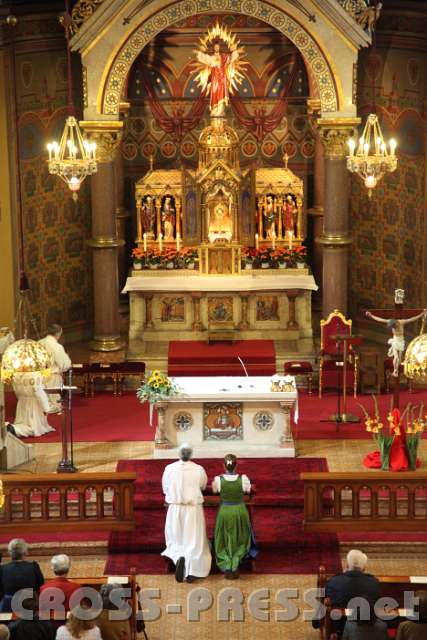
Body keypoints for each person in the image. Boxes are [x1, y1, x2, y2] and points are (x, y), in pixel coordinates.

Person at [161, 442, 212, 582]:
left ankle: (179, 558)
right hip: (193, 508)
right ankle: (191, 571)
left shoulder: (169, 469)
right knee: (194, 541)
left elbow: (165, 489)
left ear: (179, 454)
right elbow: (202, 486)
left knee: (176, 538)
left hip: (175, 508)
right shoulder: (199, 469)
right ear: (191, 454)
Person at [314, 550, 380, 636]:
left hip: (340, 627)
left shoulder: (334, 581)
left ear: (347, 565)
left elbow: (323, 603)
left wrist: (316, 620)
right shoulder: (373, 582)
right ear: (364, 568)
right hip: (368, 626)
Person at [212, 454, 255, 579]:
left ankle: (226, 565)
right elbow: (248, 490)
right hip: (239, 511)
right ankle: (236, 563)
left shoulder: (218, 480)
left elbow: (215, 491)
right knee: (240, 537)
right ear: (236, 464)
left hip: (225, 511)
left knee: (224, 538)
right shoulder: (244, 478)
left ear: (223, 465)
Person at [365, 309, 426, 377]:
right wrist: (371, 315)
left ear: (396, 323)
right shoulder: (390, 322)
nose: (395, 328)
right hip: (395, 341)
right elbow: (380, 319)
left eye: (395, 326)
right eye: (393, 327)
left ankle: (396, 370)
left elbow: (412, 319)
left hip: (401, 341)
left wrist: (422, 314)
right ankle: (395, 371)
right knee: (396, 357)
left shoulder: (401, 322)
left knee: (399, 360)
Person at [195, 40, 240, 116]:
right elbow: (202, 58)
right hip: (215, 78)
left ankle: (221, 112)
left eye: (218, 47)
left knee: (222, 94)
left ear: (219, 48)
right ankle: (215, 112)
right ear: (213, 48)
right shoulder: (211, 57)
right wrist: (200, 51)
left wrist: (234, 50)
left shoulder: (224, 56)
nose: (216, 48)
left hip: (222, 78)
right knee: (214, 93)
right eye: (215, 47)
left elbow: (232, 57)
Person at [0, 538, 44, 613]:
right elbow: (40, 585)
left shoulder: (2, 569)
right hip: (30, 607)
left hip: (8, 608)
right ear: (25, 552)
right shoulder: (33, 566)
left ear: (10, 553)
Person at [10, 372, 54, 438]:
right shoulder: (35, 375)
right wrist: (46, 408)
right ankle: (14, 430)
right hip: (34, 403)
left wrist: (21, 399)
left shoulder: (17, 375)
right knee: (33, 426)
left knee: (22, 422)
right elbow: (39, 393)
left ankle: (13, 428)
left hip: (22, 402)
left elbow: (16, 391)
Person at [39, 324, 72, 413]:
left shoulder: (39, 343)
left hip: (39, 376)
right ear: (58, 333)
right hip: (53, 376)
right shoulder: (56, 346)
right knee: (54, 402)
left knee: (43, 398)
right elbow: (65, 364)